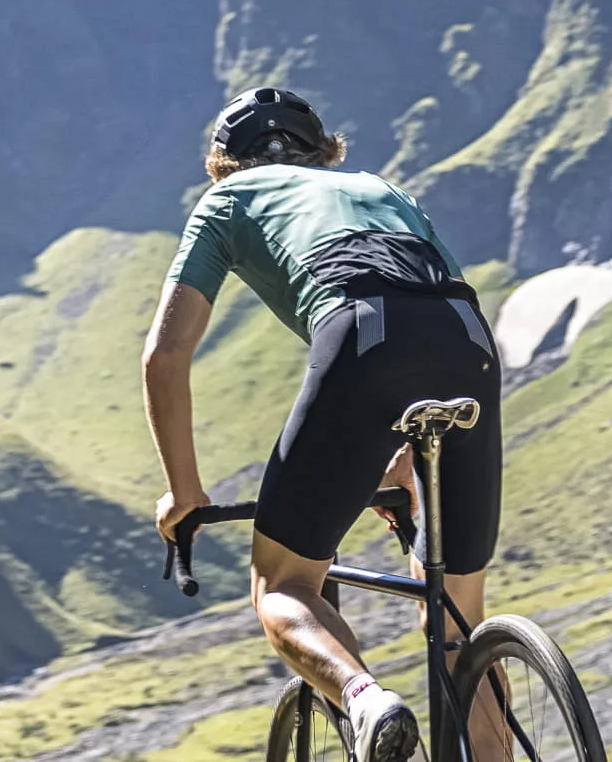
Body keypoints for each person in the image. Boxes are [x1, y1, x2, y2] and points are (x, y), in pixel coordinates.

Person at [143, 88, 500, 762]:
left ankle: (366, 702)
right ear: (325, 150)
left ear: (224, 163)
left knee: (282, 584)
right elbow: (422, 305)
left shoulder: (228, 199)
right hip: (469, 345)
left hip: (363, 336)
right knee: (459, 620)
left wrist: (183, 492)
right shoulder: (378, 186)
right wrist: (401, 454)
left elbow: (165, 355)